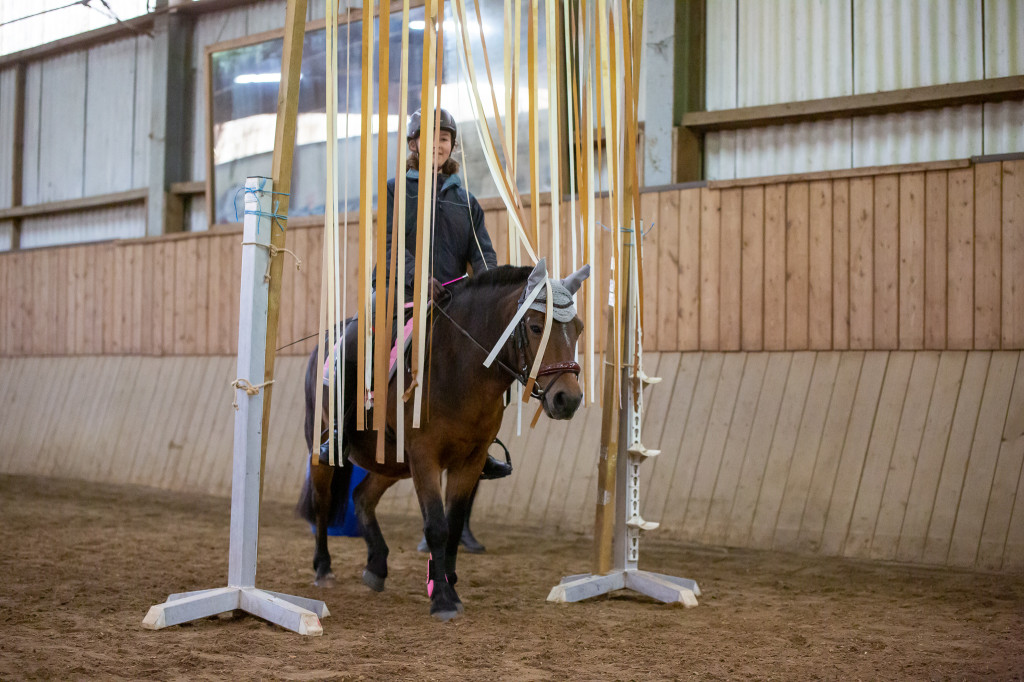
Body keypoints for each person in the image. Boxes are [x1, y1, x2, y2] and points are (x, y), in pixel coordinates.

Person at [330, 108, 511, 553]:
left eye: (445, 139)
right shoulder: (396, 191)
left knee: (487, 362)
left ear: (451, 146)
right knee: (360, 339)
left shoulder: (465, 201)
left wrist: (486, 295)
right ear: (413, 145)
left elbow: (483, 257)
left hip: (451, 304)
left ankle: (479, 445)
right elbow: (390, 247)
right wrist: (416, 278)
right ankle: (339, 426)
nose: (438, 145)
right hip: (399, 293)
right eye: (430, 138)